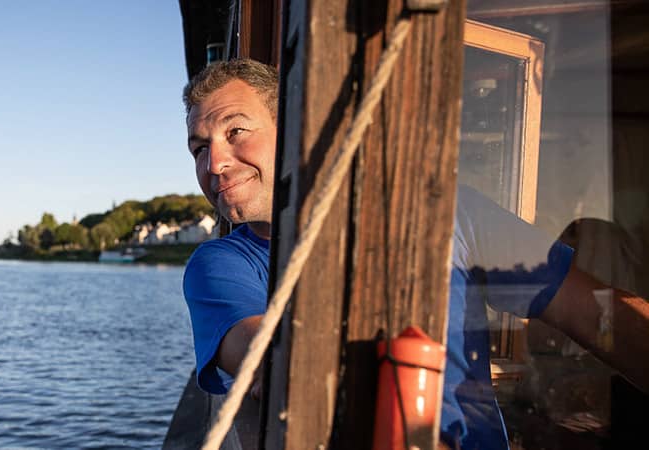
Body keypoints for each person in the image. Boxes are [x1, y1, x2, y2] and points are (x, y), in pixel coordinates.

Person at [180, 59, 649, 449]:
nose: (214, 163)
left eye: (236, 131)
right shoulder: (220, 265)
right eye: (199, 148)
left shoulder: (451, 212)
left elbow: (593, 314)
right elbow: (270, 360)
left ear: (295, 128)